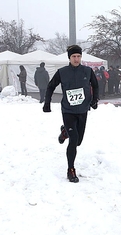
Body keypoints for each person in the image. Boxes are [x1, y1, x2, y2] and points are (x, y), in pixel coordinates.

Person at [42, 45, 99, 183]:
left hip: (82, 110)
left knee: (78, 141)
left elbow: (95, 85)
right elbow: (50, 86)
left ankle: (64, 132)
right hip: (68, 110)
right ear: (69, 57)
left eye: (78, 56)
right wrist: (47, 103)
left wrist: (94, 100)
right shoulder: (62, 72)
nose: (76, 59)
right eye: (74, 56)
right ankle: (71, 169)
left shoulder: (87, 71)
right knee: (74, 140)